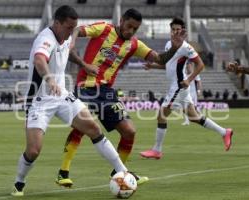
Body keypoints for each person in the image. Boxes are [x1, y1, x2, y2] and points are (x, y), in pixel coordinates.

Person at [55, 9, 185, 187]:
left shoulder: (134, 44)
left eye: (135, 28)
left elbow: (160, 59)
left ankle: (120, 172)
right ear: (122, 20)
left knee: (129, 131)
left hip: (107, 92)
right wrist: (72, 43)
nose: (131, 31)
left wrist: (176, 48)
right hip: (86, 87)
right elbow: (77, 30)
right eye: (129, 26)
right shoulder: (103, 29)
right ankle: (63, 172)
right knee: (83, 127)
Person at [11, 5, 131, 197]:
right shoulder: (45, 39)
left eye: (74, 27)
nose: (71, 32)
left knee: (93, 129)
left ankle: (123, 171)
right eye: (68, 28)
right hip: (39, 100)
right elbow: (40, 60)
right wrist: (49, 79)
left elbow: (68, 52)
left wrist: (84, 64)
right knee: (33, 151)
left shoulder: (64, 37)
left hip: (62, 95)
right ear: (56, 23)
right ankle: (19, 182)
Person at [140, 17, 233, 160]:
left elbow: (200, 64)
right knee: (194, 117)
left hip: (179, 86)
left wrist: (189, 80)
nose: (175, 32)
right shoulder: (168, 45)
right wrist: (152, 66)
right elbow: (167, 64)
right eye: (173, 29)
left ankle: (157, 150)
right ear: (170, 31)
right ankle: (224, 132)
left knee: (162, 115)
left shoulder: (186, 47)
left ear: (182, 31)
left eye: (178, 29)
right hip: (176, 86)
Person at [182, 60, 202, 126]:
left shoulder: (194, 74)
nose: (188, 67)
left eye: (189, 65)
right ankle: (187, 121)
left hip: (193, 94)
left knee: (194, 107)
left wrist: (199, 91)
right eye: (187, 65)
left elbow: (199, 82)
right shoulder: (183, 74)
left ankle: (201, 116)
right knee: (184, 107)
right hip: (186, 94)